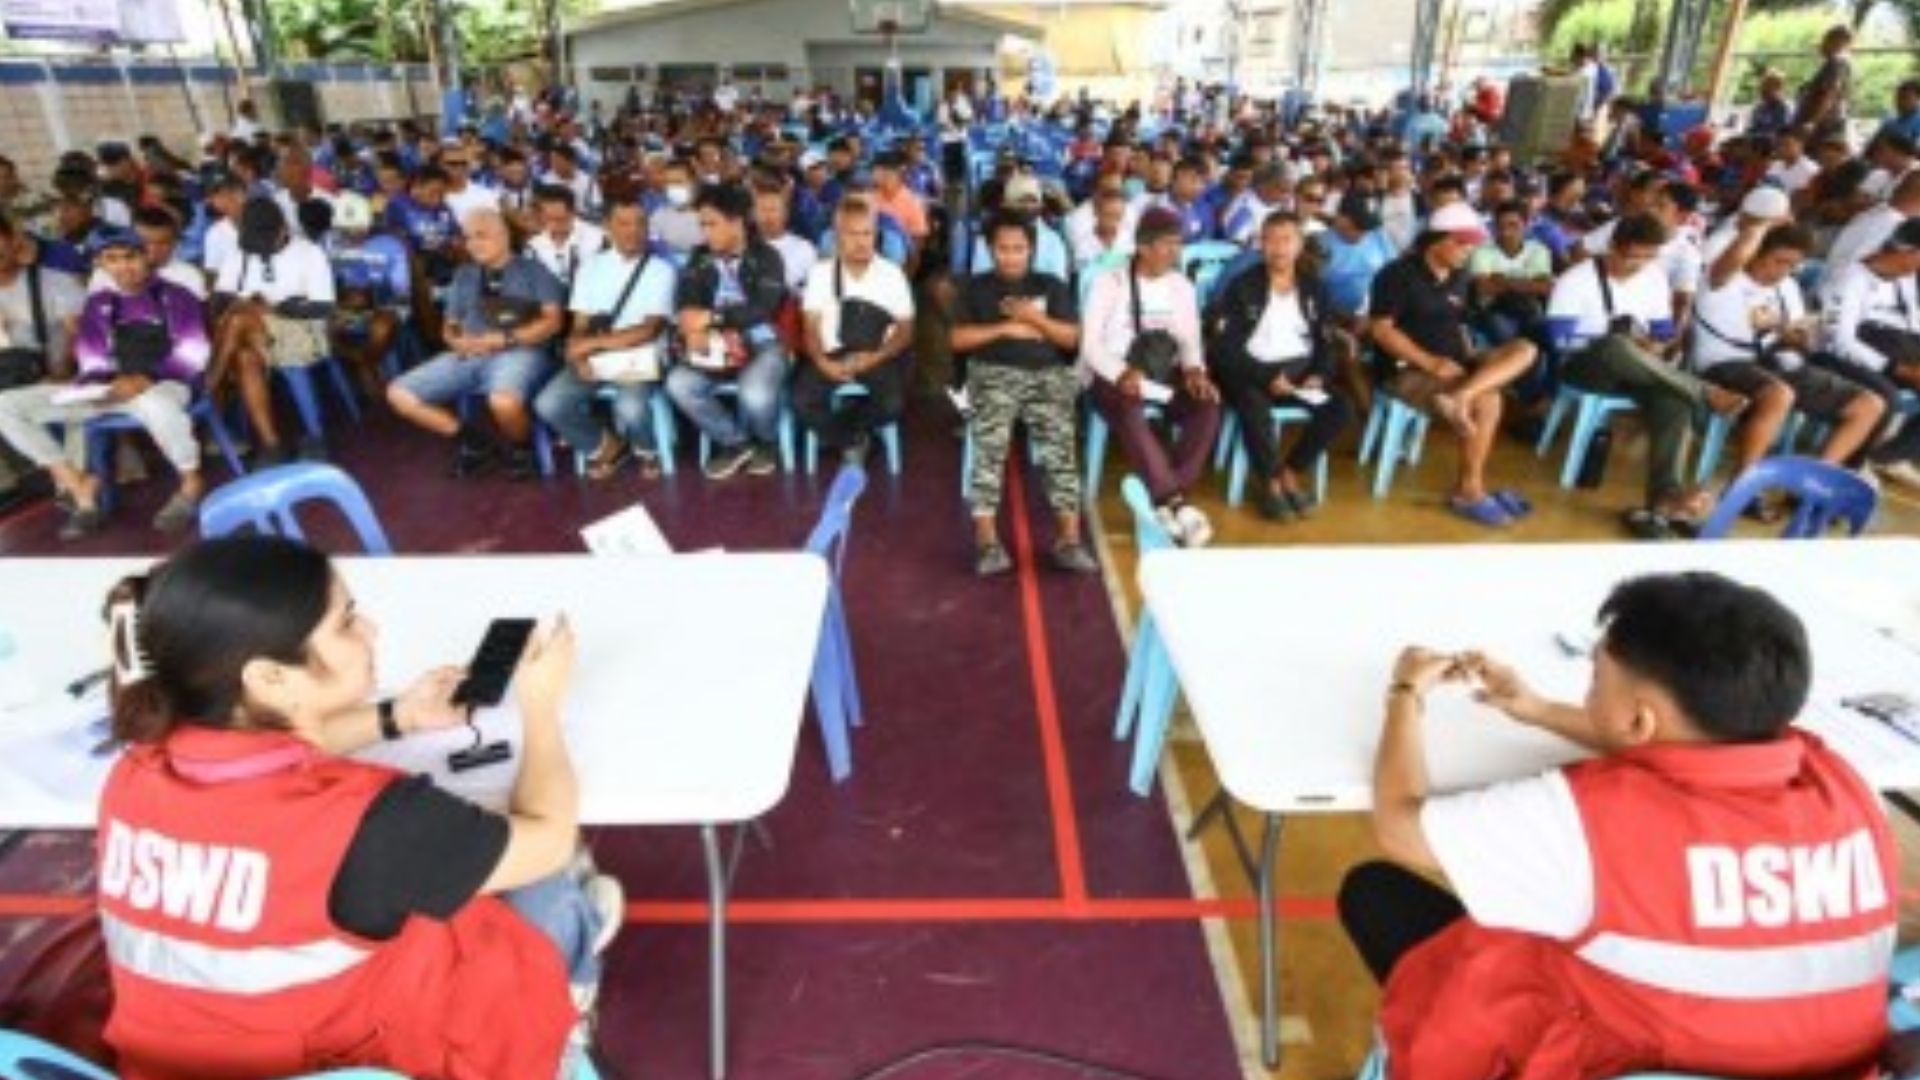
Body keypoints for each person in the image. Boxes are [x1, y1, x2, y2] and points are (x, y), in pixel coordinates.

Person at [94, 536, 621, 1079]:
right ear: (270, 677)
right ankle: (570, 1017)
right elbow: (549, 835)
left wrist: (399, 716)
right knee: (549, 886)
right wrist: (540, 708)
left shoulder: (134, 775)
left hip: (179, 1063)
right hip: (364, 1057)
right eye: (346, 623)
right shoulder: (368, 824)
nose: (370, 630)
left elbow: (263, 763)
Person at [1345, 572, 1895, 1080]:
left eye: (1595, 679)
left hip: (1618, 1058)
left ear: (1638, 718)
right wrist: (1537, 709)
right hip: (1822, 1065)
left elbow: (1400, 827)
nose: (1589, 694)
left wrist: (1405, 695)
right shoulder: (1844, 786)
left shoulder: (1590, 820)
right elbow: (1688, 746)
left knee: (1376, 893)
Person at [1548, 212, 1748, 538]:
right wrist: (1613, 338)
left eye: (1648, 256)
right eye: (1632, 256)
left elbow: (1664, 331)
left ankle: (1663, 500)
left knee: (1674, 400)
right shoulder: (1577, 279)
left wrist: (1654, 344)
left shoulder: (1653, 277)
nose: (1638, 265)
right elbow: (1560, 341)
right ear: (1613, 246)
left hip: (1640, 369)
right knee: (1614, 345)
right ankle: (1704, 391)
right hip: (1586, 366)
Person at [0, 228, 208, 538]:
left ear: (145, 256)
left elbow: (192, 353)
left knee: (157, 404)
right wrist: (96, 387)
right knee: (6, 406)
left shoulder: (175, 296)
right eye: (112, 259)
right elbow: (92, 357)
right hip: (111, 390)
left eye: (130, 257)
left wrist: (145, 378)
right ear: (101, 264)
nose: (124, 266)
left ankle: (191, 481)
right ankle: (77, 485)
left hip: (164, 382)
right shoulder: (99, 304)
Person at [1368, 202, 1538, 528]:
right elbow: (1381, 330)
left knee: (1525, 349)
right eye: (1462, 243)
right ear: (1436, 240)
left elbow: (1460, 323)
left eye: (1471, 244)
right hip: (1409, 370)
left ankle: (1461, 396)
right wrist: (1430, 362)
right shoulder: (1397, 274)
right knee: (1489, 399)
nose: (1468, 251)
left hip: (1457, 363)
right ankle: (1469, 490)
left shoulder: (1460, 277)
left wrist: (1473, 357)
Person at [1690, 223, 1884, 504]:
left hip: (1776, 362)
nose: (1782, 270)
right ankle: (1743, 487)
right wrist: (1763, 224)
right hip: (1723, 362)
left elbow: (1802, 341)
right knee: (1779, 394)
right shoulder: (1723, 280)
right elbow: (1735, 255)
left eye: (1792, 265)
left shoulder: (1787, 288)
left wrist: (1796, 337)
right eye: (1778, 261)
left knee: (1869, 405)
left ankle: (1812, 487)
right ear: (1756, 253)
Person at [953, 212, 1094, 576]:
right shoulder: (975, 288)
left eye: (1019, 248)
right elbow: (957, 339)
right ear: (990, 249)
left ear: (1031, 249)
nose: (1011, 256)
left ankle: (1069, 540)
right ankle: (986, 542)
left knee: (1060, 449)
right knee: (990, 448)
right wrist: (1005, 329)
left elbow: (1072, 339)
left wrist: (1034, 319)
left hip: (1048, 374)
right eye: (1003, 248)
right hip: (992, 373)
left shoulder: (1052, 285)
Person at [1078, 206, 1221, 546]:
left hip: (1162, 372)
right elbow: (1090, 344)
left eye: (1178, 244)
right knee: (1129, 406)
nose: (1175, 252)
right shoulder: (1108, 282)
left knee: (1207, 406)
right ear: (1142, 247)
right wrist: (1120, 372)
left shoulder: (1181, 286)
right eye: (1167, 244)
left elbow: (1190, 341)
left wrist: (1195, 370)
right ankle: (1176, 503)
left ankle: (1166, 497)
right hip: (1111, 372)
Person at [387, 208, 564, 480]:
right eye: (468, 237)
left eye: (482, 236)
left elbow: (553, 321)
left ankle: (522, 450)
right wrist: (455, 339)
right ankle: (474, 442)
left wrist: (506, 339)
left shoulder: (533, 271)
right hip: (469, 353)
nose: (473, 244)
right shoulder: (464, 275)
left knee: (503, 401)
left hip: (519, 352)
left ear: (503, 236)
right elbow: (451, 323)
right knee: (399, 394)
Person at [1209, 212, 1353, 522]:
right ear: (1260, 245)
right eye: (1270, 240)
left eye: (1286, 240)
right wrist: (1267, 376)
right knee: (1252, 403)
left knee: (1339, 407)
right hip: (1251, 371)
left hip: (1299, 373)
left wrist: (1318, 375)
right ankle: (1270, 482)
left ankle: (1290, 471)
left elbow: (1326, 341)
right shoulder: (1242, 286)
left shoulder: (1315, 288)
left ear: (1300, 245)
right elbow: (1225, 348)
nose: (1279, 248)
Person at [535, 200, 678, 482]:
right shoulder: (591, 268)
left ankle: (647, 449)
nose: (633, 231)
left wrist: (591, 346)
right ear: (607, 228)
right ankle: (606, 447)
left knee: (630, 406)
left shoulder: (661, 270)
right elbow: (580, 324)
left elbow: (649, 330)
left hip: (640, 356)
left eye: (640, 223)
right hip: (595, 355)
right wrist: (579, 355)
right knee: (548, 404)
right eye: (623, 223)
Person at [665, 182, 791, 480]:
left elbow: (763, 307)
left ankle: (766, 441)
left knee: (754, 393)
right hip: (713, 345)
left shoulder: (767, 256)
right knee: (679, 384)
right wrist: (691, 329)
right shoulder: (700, 257)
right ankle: (735, 443)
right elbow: (686, 301)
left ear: (736, 222)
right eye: (702, 225)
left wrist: (712, 318)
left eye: (712, 224)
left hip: (761, 342)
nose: (705, 232)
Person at [210, 197, 337, 464]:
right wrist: (247, 302)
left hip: (302, 328)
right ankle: (272, 443)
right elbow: (220, 299)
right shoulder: (240, 253)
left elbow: (323, 307)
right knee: (245, 356)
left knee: (238, 322)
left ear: (283, 229)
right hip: (253, 333)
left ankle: (212, 381)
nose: (261, 250)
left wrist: (274, 308)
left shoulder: (309, 253)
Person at [795, 199, 915, 467]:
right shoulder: (821, 273)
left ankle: (845, 434)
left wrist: (875, 358)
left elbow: (906, 331)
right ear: (837, 237)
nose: (861, 242)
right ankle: (854, 439)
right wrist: (822, 362)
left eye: (867, 234)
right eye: (852, 234)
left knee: (892, 403)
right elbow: (810, 327)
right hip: (832, 353)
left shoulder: (892, 274)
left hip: (878, 354)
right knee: (802, 402)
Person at [325, 192, 412, 396]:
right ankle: (359, 360)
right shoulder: (331, 243)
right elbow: (328, 282)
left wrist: (372, 296)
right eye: (345, 230)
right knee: (325, 330)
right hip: (348, 305)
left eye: (357, 229)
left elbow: (401, 292)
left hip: (387, 303)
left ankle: (366, 362)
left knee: (381, 328)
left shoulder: (390, 245)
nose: (351, 235)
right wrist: (344, 298)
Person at [526, 185, 607, 295]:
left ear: (573, 213)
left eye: (560, 219)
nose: (554, 224)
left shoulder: (598, 238)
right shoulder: (533, 247)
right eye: (548, 218)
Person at [751, 176, 818, 294]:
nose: (768, 216)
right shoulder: (743, 249)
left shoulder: (805, 249)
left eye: (773, 209)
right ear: (753, 214)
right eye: (762, 209)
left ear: (785, 213)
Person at [1792, 25, 1855, 145]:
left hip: (1823, 125)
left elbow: (1830, 94)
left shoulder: (1837, 63)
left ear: (1836, 42)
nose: (1821, 45)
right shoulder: (1837, 63)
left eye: (1825, 40)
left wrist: (1813, 122)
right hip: (1823, 123)